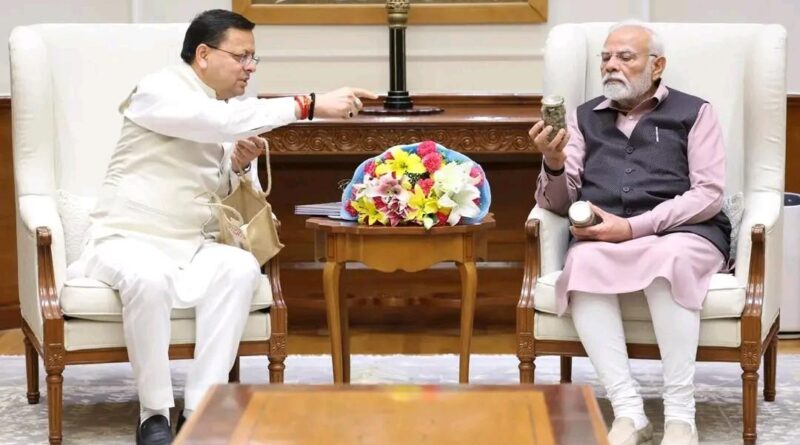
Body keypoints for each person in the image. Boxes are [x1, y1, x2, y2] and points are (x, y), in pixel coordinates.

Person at [68, 9, 377, 445]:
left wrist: (237, 166)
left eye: (253, 58)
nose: (250, 67)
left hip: (190, 244)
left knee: (239, 268)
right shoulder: (158, 90)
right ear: (203, 54)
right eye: (241, 56)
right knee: (147, 278)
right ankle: (154, 414)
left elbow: (224, 182)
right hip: (126, 238)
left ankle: (201, 406)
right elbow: (213, 123)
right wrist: (309, 104)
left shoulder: (223, 110)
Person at [529, 21, 731, 445]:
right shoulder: (582, 117)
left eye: (625, 57)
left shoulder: (696, 112)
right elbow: (559, 203)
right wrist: (554, 163)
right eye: (606, 57)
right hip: (605, 234)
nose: (611, 65)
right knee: (582, 261)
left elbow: (709, 194)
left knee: (667, 259)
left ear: (657, 66)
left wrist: (634, 227)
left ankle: (680, 415)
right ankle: (629, 412)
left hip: (686, 232)